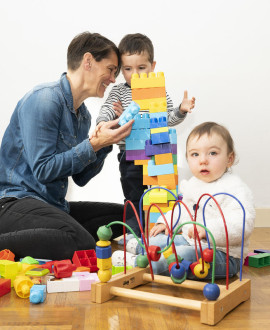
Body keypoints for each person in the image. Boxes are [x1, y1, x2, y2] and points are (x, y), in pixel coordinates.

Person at [0, 32, 134, 261]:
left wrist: (105, 144)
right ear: (88, 61)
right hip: (15, 203)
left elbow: (80, 177)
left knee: (128, 216)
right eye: (111, 70)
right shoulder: (44, 99)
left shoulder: (82, 115)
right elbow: (43, 170)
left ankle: (55, 235)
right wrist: (94, 144)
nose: (113, 79)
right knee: (82, 242)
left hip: (52, 205)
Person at [95, 33, 196, 236]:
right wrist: (104, 123)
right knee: (134, 196)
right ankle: (133, 233)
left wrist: (181, 110)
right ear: (121, 69)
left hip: (158, 154)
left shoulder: (159, 91)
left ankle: (161, 230)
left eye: (141, 68)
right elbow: (106, 110)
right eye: (128, 69)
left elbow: (168, 119)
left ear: (152, 65)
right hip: (130, 156)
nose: (136, 74)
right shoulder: (118, 92)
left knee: (161, 195)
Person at [148, 122, 255, 278]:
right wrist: (166, 221)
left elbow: (242, 224)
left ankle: (143, 263)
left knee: (182, 254)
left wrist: (208, 229)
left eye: (212, 153)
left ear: (229, 159)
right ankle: (140, 247)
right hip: (191, 242)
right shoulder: (194, 184)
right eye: (195, 154)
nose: (203, 160)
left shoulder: (235, 188)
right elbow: (183, 210)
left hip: (223, 255)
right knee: (160, 240)